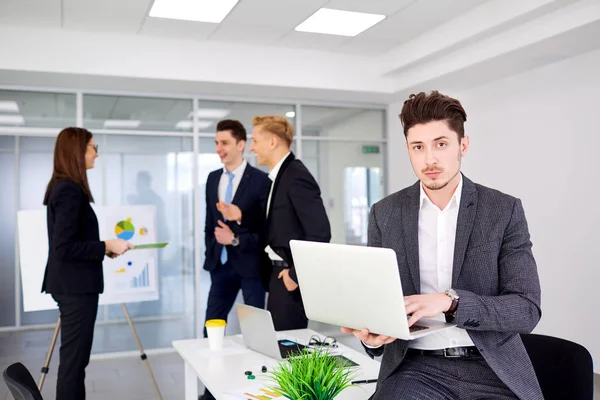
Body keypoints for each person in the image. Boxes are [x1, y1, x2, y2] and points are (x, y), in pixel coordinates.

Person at [342, 91, 543, 399]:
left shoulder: (502, 210)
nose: (430, 159)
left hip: (490, 367)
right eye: (418, 147)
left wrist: (450, 301)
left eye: (441, 144)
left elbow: (526, 309)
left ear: (463, 145)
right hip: (416, 367)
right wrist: (372, 337)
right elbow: (378, 300)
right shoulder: (385, 213)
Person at [42, 127, 133, 400]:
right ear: (76, 152)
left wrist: (103, 249)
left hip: (72, 284)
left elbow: (70, 243)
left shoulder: (64, 187)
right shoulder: (69, 191)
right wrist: (106, 245)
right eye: (93, 147)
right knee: (73, 363)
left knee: (76, 361)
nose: (97, 153)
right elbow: (63, 247)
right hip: (75, 288)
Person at [217, 115, 331, 331]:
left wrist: (295, 275)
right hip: (276, 275)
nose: (251, 148)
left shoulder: (296, 175)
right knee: (277, 343)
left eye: (255, 141)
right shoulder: (278, 177)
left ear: (272, 142)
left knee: (288, 349)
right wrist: (239, 214)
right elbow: (272, 221)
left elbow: (320, 232)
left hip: (289, 276)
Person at [200, 120, 271, 400]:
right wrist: (212, 250)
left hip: (251, 266)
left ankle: (253, 391)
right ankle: (210, 392)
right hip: (221, 266)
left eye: (225, 143)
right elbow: (209, 223)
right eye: (217, 143)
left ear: (241, 145)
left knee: (254, 333)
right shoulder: (212, 179)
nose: (220, 149)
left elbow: (266, 230)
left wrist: (236, 238)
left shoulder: (261, 181)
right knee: (211, 329)